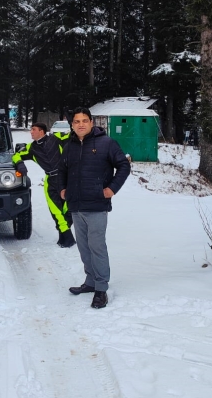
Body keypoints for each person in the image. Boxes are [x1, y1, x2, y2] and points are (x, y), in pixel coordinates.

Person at [48, 108, 131, 309]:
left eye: (85, 120)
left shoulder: (106, 143)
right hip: (76, 204)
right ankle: (91, 281)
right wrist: (62, 189)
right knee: (84, 247)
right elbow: (61, 170)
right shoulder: (69, 146)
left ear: (91, 122)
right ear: (72, 125)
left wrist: (111, 188)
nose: (81, 124)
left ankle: (101, 289)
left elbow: (123, 166)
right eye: (77, 121)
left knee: (97, 246)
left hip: (96, 205)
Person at [13, 123, 74, 247]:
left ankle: (64, 235)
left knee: (68, 208)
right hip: (50, 180)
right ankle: (66, 236)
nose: (31, 132)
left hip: (66, 177)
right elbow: (15, 155)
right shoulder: (31, 148)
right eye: (31, 130)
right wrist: (20, 164)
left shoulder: (56, 137)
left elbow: (73, 135)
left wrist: (72, 121)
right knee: (55, 210)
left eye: (33, 130)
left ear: (42, 131)